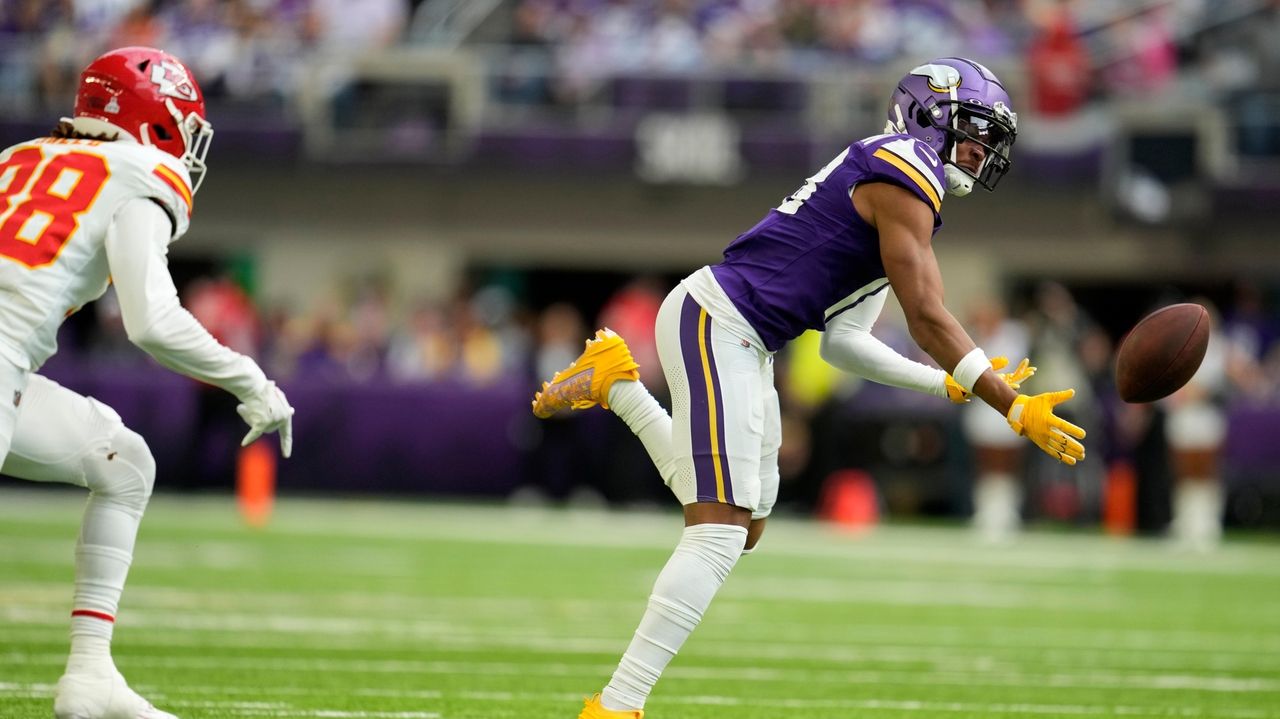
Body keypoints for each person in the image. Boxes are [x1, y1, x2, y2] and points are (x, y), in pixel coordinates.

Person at [530, 58, 1087, 718]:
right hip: (718, 322)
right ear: (933, 116)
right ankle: (617, 705)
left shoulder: (899, 181)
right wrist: (1009, 401)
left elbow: (845, 341)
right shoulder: (906, 169)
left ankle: (618, 384)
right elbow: (929, 315)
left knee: (747, 524)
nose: (982, 149)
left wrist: (948, 386)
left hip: (745, 340)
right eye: (974, 130)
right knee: (717, 531)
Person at [0, 46, 294, 719]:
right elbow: (153, 321)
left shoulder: (18, 156)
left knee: (124, 461)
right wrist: (252, 379)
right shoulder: (142, 170)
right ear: (159, 120)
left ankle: (91, 673)